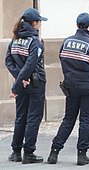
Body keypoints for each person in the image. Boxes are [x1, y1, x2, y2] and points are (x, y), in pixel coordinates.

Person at [47, 13, 89, 166]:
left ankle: (54, 151)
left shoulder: (66, 42)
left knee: (68, 119)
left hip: (71, 85)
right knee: (86, 120)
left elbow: (62, 59)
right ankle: (82, 155)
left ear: (77, 25)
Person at [5, 8, 47, 164]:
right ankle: (28, 152)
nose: (40, 25)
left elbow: (8, 61)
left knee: (21, 116)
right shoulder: (34, 41)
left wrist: (19, 78)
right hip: (35, 83)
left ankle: (15, 151)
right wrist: (21, 81)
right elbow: (31, 64)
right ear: (34, 23)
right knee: (33, 117)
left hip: (23, 83)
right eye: (39, 22)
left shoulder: (14, 39)